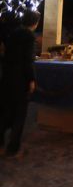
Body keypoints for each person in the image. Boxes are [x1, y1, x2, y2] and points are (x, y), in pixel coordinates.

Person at [0, 10, 40, 157]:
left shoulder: (14, 33)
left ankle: (1, 144)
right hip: (20, 79)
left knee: (5, 111)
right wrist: (31, 79)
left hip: (7, 77)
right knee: (20, 114)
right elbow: (28, 61)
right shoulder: (29, 36)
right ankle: (13, 148)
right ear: (35, 23)